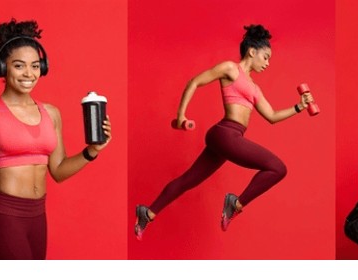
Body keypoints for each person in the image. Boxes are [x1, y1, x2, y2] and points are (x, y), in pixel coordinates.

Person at [0, 19, 113, 259]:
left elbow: (58, 171)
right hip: (4, 214)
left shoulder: (51, 113)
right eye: (19, 66)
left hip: (38, 216)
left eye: (35, 66)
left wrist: (92, 150)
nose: (29, 73)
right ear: (2, 67)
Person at [134, 24, 314, 239]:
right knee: (277, 168)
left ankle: (148, 212)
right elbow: (195, 82)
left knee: (189, 180)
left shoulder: (255, 88)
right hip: (225, 134)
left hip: (228, 138)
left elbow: (272, 117)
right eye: (265, 57)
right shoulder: (231, 68)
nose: (267, 63)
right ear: (252, 51)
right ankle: (235, 204)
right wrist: (181, 115)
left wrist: (299, 107)